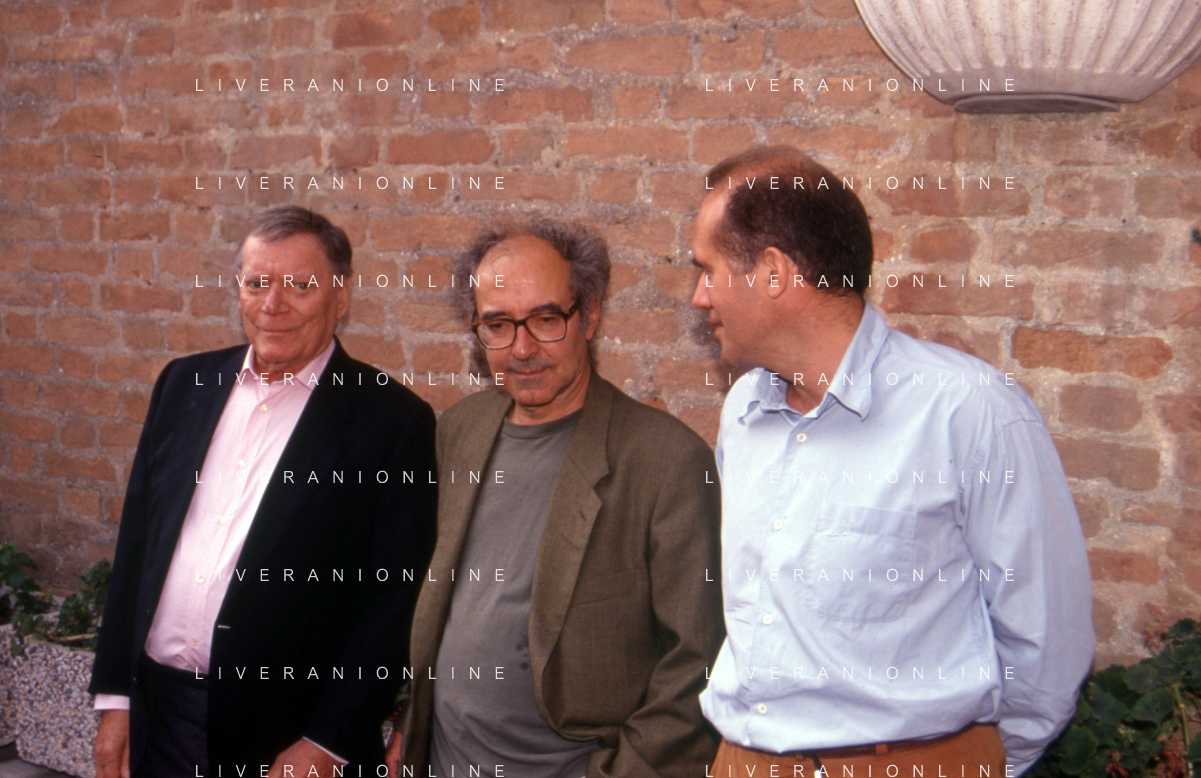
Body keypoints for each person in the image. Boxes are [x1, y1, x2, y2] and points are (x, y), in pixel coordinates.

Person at [691, 146, 1094, 776]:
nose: (698, 296)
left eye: (708, 270)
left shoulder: (970, 412)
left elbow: (1046, 646)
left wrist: (968, 761)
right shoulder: (745, 411)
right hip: (744, 762)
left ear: (772, 272)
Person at [88, 205, 438, 778]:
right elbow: (136, 549)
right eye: (257, 284)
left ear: (341, 297)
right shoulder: (183, 384)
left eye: (300, 286)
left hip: (284, 736)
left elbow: (393, 602)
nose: (273, 304)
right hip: (158, 714)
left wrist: (328, 741)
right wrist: (116, 697)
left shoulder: (392, 423)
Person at [386, 219, 724, 778]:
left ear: (588, 316)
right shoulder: (461, 430)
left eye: (546, 319)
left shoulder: (667, 461)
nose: (522, 349)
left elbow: (698, 662)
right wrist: (410, 717)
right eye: (498, 325)